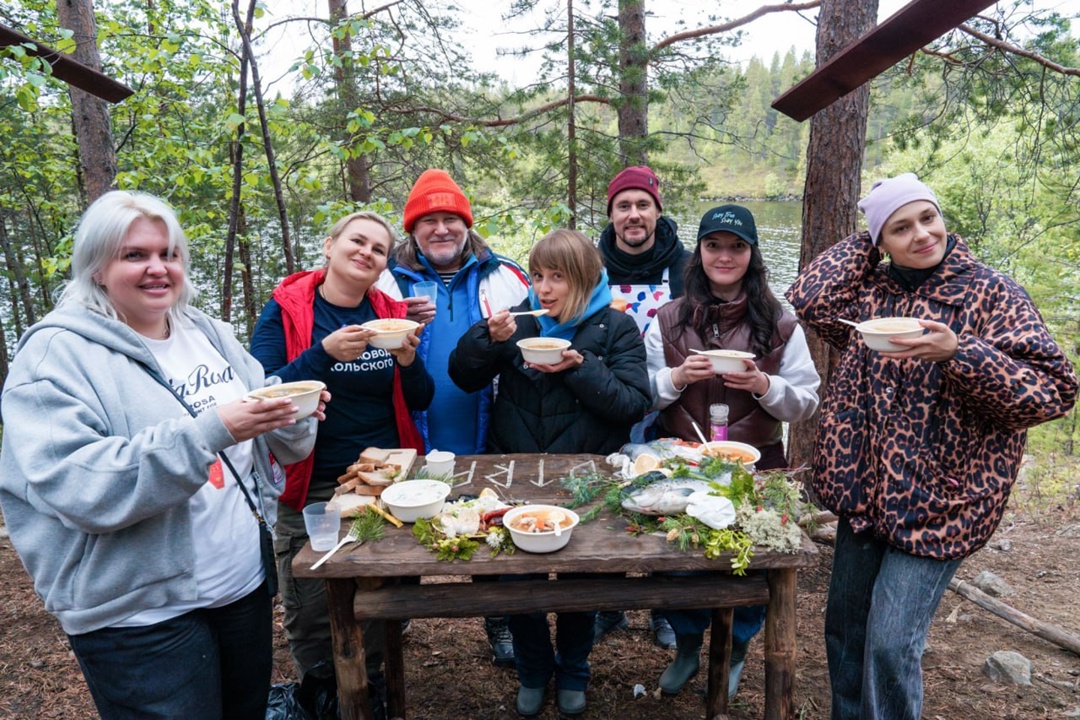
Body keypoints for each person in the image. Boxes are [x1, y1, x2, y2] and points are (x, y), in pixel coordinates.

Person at [0, 190, 322, 720]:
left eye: (168, 254)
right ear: (97, 267)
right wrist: (209, 433)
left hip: (239, 585)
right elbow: (79, 488)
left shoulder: (207, 333)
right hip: (137, 614)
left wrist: (294, 415)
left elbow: (270, 440)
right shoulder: (56, 355)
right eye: (135, 255)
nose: (158, 269)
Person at [786, 173, 1077, 720]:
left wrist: (960, 354)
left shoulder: (992, 293)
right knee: (846, 634)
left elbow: (1052, 392)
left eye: (927, 217)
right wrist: (867, 226)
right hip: (865, 496)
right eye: (900, 227)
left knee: (891, 645)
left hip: (943, 503)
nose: (922, 234)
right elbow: (808, 295)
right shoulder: (869, 294)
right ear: (880, 243)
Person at [449, 229, 651, 717]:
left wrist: (580, 368)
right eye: (538, 275)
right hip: (514, 469)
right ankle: (534, 670)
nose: (543, 288)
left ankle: (575, 669)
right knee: (517, 579)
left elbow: (634, 405)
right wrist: (484, 338)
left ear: (582, 278)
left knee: (581, 578)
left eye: (556, 277)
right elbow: (464, 375)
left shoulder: (614, 328)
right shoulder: (517, 324)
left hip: (584, 474)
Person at [249, 211, 434, 717]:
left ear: (382, 267)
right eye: (358, 241)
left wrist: (408, 358)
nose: (367, 253)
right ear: (329, 246)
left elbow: (421, 396)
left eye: (379, 249)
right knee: (309, 599)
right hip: (311, 477)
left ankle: (368, 683)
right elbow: (260, 389)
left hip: (383, 481)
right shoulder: (286, 311)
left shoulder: (391, 314)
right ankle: (320, 689)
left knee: (378, 589)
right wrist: (322, 353)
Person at [643, 203, 821, 698]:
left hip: (758, 463)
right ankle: (686, 647)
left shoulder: (781, 324)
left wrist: (764, 384)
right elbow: (645, 392)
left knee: (751, 562)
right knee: (679, 561)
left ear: (752, 254)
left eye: (737, 246)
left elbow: (805, 402)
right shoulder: (668, 319)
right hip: (683, 461)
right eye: (714, 245)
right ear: (698, 253)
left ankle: (736, 649)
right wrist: (677, 377)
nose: (725, 256)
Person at [374, 168, 530, 667]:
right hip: (408, 430)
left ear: (466, 223)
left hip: (487, 428)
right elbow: (355, 346)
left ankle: (500, 619)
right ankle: (393, 612)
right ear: (412, 229)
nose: (441, 229)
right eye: (428, 221)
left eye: (450, 219)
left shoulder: (505, 276)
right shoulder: (384, 279)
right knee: (399, 524)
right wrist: (395, 317)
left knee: (493, 522)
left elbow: (535, 343)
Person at [594, 164, 692, 648]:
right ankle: (605, 603)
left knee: (669, 500)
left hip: (669, 402)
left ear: (657, 211)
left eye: (642, 205)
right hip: (604, 401)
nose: (634, 215)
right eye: (623, 206)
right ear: (611, 214)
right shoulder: (591, 267)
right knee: (603, 498)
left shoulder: (686, 267)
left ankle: (666, 607)